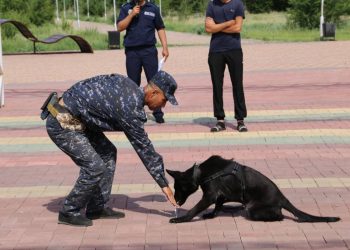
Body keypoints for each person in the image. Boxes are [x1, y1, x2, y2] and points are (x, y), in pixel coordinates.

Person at [42, 70, 178, 227]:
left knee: (108, 153)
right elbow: (145, 149)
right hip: (62, 122)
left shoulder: (130, 87)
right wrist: (164, 184)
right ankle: (69, 211)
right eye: (164, 99)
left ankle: (96, 208)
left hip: (79, 120)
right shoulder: (130, 107)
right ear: (154, 92)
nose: (163, 105)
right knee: (94, 167)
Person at [117, 0, 169, 124]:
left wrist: (165, 47)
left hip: (149, 51)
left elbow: (160, 28)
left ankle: (157, 112)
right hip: (132, 51)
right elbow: (119, 27)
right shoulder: (126, 8)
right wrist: (131, 15)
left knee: (154, 83)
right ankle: (135, 112)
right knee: (133, 84)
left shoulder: (153, 8)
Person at [205, 0, 248, 132]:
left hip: (234, 50)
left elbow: (238, 28)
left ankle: (240, 120)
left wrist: (217, 27)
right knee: (217, 86)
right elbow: (208, 29)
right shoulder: (212, 5)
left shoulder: (237, 4)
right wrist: (229, 22)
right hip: (215, 51)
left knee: (237, 84)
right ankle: (220, 120)